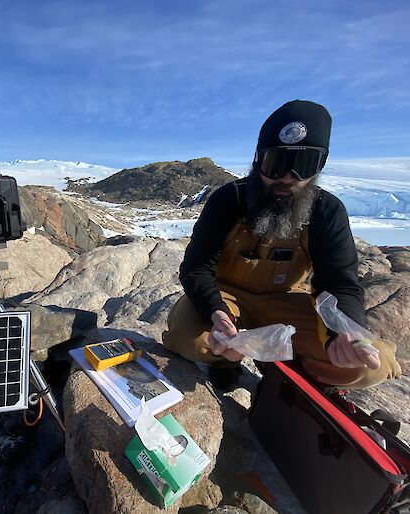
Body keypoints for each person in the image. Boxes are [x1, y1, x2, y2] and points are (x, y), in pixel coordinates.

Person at [162, 100, 402, 389]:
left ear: (320, 166)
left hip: (286, 301)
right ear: (257, 160)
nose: (287, 178)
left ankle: (295, 365)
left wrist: (345, 330)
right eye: (275, 164)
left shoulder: (327, 210)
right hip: (226, 297)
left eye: (303, 166)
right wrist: (216, 312)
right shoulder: (228, 200)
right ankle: (226, 362)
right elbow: (196, 268)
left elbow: (339, 283)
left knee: (369, 367)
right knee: (190, 341)